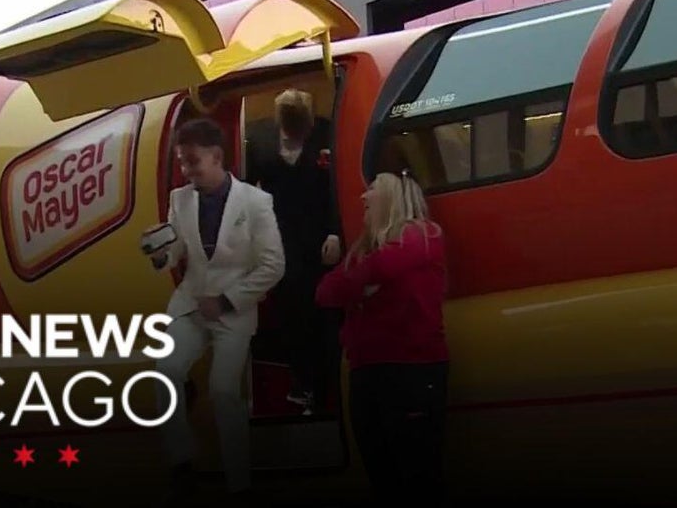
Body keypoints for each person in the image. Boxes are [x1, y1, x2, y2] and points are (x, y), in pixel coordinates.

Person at [147, 117, 285, 500]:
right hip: (191, 302)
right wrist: (162, 254)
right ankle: (182, 463)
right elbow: (178, 252)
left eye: (192, 161)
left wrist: (226, 301)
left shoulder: (256, 203)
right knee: (165, 372)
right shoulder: (180, 198)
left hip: (234, 308)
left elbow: (273, 266)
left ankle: (239, 484)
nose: (186, 170)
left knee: (223, 390)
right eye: (181, 162)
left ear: (217, 157)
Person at [314, 169, 450, 505]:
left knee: (417, 475)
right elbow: (325, 292)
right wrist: (361, 284)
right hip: (367, 371)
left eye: (371, 189)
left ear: (391, 195)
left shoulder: (423, 235)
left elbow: (377, 270)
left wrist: (358, 281)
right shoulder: (366, 247)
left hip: (411, 370)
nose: (362, 197)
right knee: (382, 476)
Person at [244, 88, 342, 414]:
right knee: (291, 314)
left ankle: (328, 386)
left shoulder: (328, 132)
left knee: (325, 311)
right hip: (281, 239)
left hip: (320, 237)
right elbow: (247, 190)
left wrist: (335, 231)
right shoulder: (257, 140)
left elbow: (336, 187)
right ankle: (303, 385)